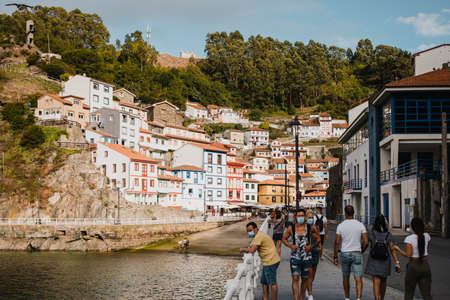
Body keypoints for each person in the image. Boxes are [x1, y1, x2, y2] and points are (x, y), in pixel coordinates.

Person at [282, 209, 321, 300]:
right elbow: (284, 239)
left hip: (306, 258)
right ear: (295, 217)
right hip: (295, 257)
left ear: (304, 217)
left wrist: (311, 246)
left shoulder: (309, 227)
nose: (300, 217)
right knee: (295, 278)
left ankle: (301, 297)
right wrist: (290, 245)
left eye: (302, 216)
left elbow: (318, 238)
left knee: (304, 279)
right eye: (299, 216)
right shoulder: (291, 227)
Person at [334, 205, 368, 300]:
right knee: (358, 277)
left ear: (345, 213)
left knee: (345, 276)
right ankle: (358, 298)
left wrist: (335, 256)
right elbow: (366, 241)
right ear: (354, 213)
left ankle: (347, 297)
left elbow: (337, 242)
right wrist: (361, 250)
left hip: (344, 253)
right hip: (357, 252)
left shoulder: (341, 225)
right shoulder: (360, 225)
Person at [393, 218, 432, 300]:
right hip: (425, 264)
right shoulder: (427, 236)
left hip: (413, 265)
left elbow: (408, 255)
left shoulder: (409, 239)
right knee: (426, 294)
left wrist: (398, 249)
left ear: (413, 227)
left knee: (409, 292)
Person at [241, 222, 280, 300]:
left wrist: (243, 249)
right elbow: (255, 246)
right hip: (269, 261)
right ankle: (265, 298)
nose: (249, 233)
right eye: (248, 231)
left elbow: (252, 250)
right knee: (264, 282)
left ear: (256, 229)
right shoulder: (259, 235)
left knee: (272, 283)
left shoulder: (259, 236)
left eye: (250, 230)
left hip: (270, 261)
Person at [365, 214, 400, 300]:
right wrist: (397, 262)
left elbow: (365, 243)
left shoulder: (371, 233)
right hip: (385, 260)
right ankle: (382, 298)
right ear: (384, 223)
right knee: (384, 281)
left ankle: (376, 298)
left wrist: (360, 251)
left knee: (376, 281)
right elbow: (392, 249)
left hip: (374, 259)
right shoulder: (388, 235)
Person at [306, 210, 321, 300]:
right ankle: (310, 294)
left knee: (313, 275)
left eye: (312, 218)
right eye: (309, 217)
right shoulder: (303, 227)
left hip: (315, 251)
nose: (311, 219)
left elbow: (318, 239)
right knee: (309, 273)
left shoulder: (316, 228)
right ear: (306, 218)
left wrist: (319, 247)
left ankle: (308, 288)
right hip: (307, 253)